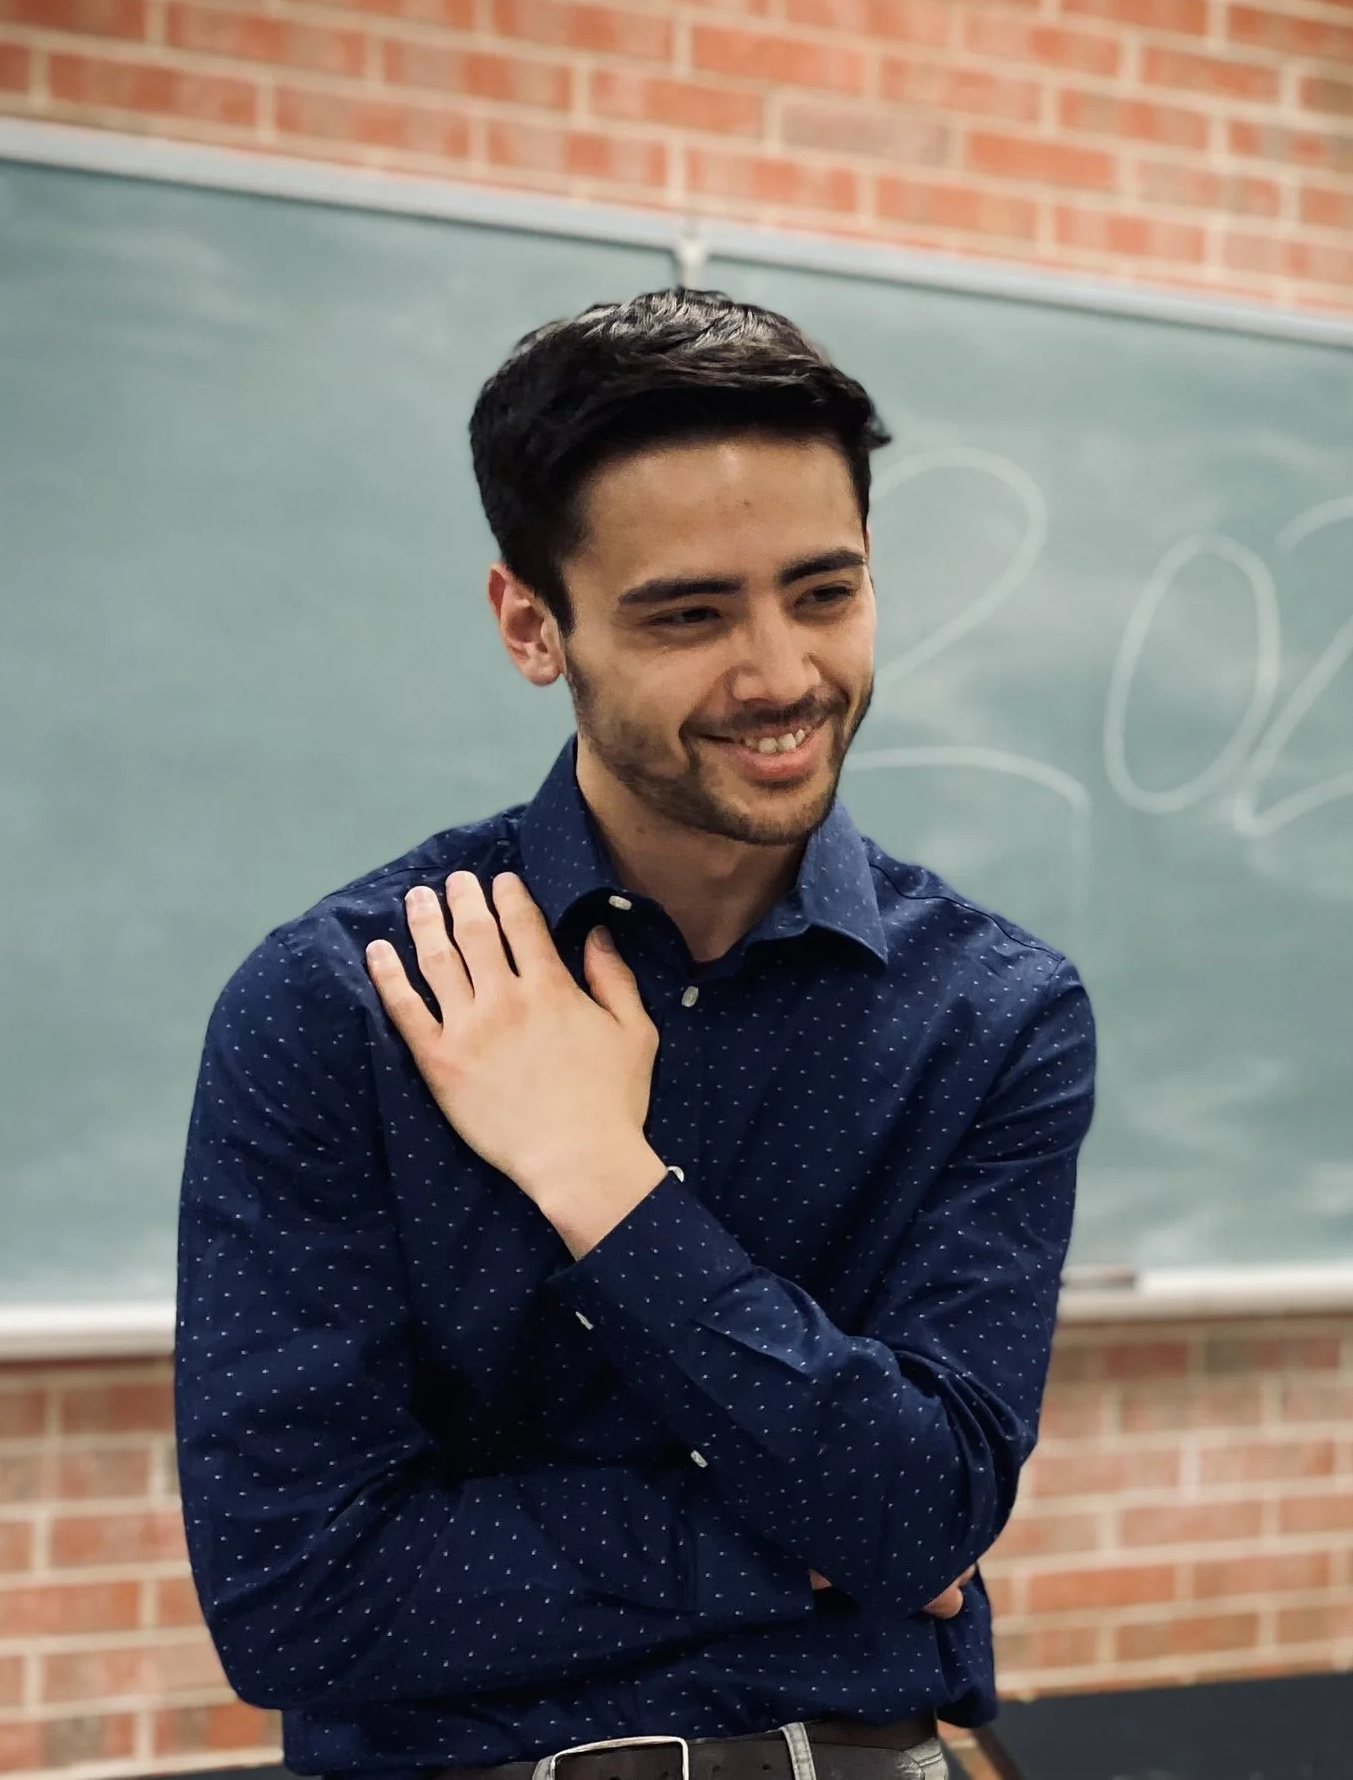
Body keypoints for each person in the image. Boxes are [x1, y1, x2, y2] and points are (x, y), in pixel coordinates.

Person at [174, 290, 1096, 1780]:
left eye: (824, 592)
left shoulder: (994, 1012)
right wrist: (804, 1544)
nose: (781, 674)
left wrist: (599, 1175)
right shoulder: (342, 1003)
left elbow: (927, 1509)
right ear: (532, 624)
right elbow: (300, 1596)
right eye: (690, 615)